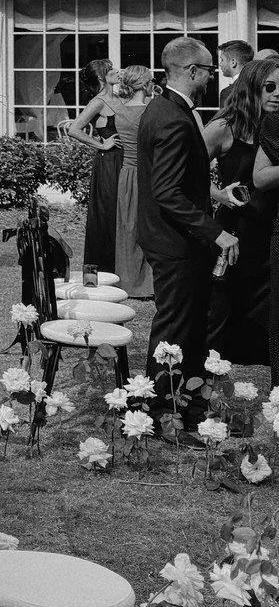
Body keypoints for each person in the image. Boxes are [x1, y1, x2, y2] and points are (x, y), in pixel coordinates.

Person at [137, 37, 239, 423]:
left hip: (170, 237)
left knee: (186, 322)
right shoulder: (172, 118)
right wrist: (216, 232)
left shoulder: (164, 107)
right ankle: (161, 410)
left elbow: (179, 181)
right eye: (210, 70)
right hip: (173, 241)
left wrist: (213, 193)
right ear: (193, 71)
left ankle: (183, 402)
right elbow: (165, 191)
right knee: (175, 326)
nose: (212, 77)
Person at [205, 57, 278, 368]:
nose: (277, 94)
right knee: (223, 308)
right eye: (270, 87)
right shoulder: (225, 127)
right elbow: (182, 173)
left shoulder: (275, 128)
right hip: (234, 231)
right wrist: (218, 193)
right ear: (252, 89)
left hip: (268, 231)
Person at [65, 59, 120, 272]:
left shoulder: (120, 98)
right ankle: (105, 269)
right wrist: (101, 144)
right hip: (109, 163)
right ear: (101, 77)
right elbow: (74, 129)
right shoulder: (98, 102)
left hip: (127, 161)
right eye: (111, 69)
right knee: (108, 213)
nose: (116, 71)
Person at [110, 66, 155, 294]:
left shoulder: (120, 111)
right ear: (145, 84)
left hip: (127, 174)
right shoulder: (150, 111)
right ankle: (147, 284)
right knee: (149, 228)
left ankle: (128, 281)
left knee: (128, 228)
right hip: (147, 173)